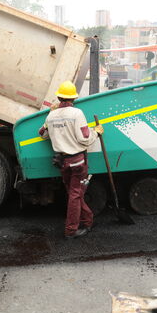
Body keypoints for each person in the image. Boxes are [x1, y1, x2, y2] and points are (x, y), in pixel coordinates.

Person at [39, 81, 104, 239]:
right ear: (73, 98)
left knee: (74, 194)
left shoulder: (51, 115)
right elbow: (85, 138)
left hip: (62, 163)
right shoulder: (77, 114)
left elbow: (42, 133)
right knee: (76, 195)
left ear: (59, 97)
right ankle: (71, 230)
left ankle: (88, 220)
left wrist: (50, 118)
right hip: (77, 162)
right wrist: (96, 132)